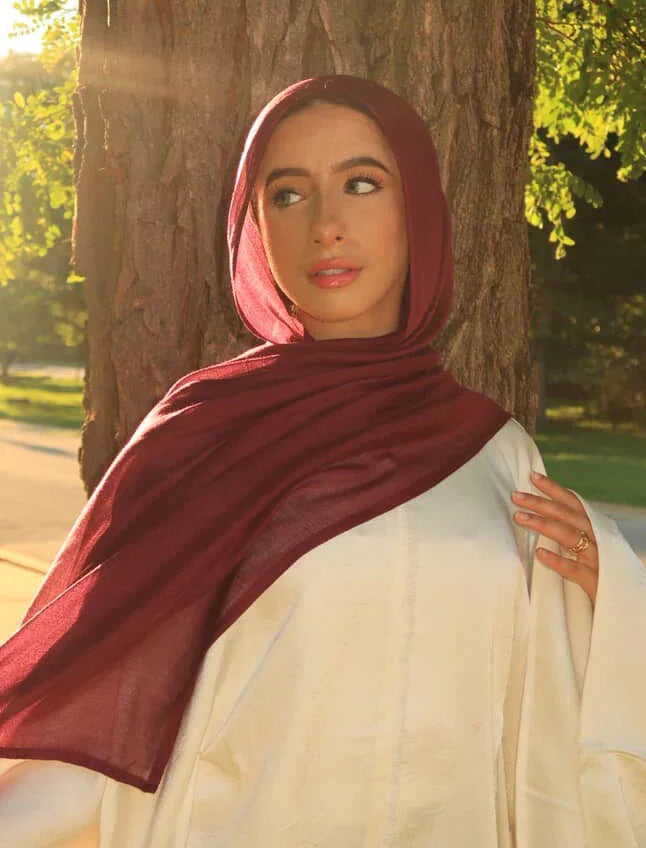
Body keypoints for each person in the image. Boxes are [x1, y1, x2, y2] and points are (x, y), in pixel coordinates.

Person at [0, 74, 644, 847]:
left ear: (418, 210)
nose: (327, 226)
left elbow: (557, 718)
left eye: (361, 184)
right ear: (255, 225)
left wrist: (608, 587)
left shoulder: (496, 451)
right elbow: (104, 708)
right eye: (289, 195)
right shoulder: (202, 435)